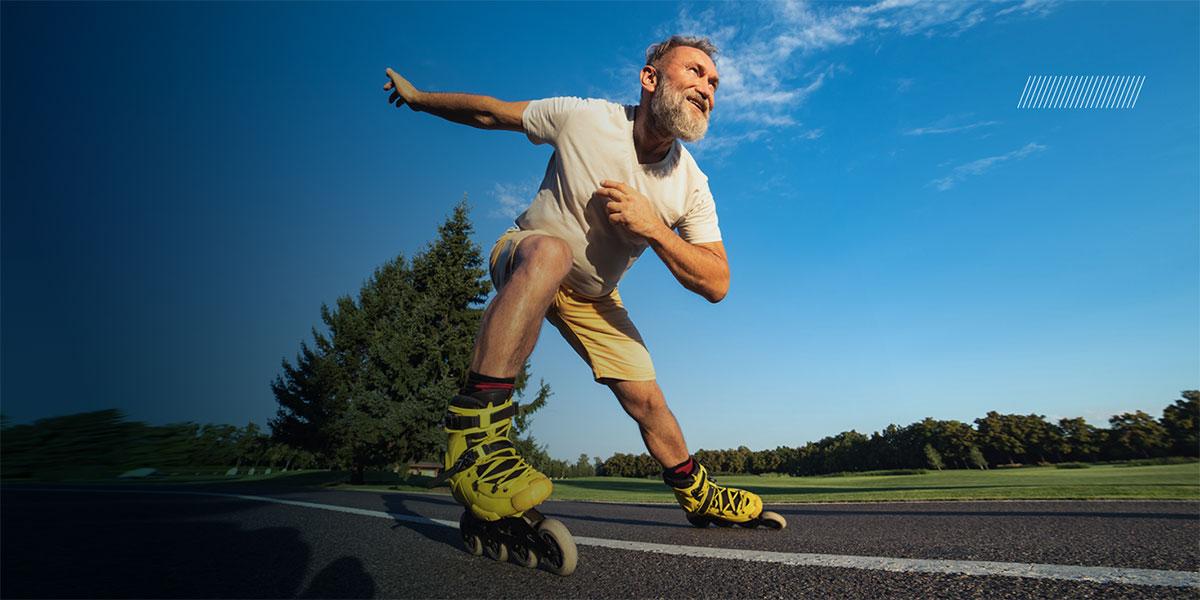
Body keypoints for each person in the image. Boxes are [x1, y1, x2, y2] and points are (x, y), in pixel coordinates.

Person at [384, 35, 779, 529]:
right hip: (528, 251)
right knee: (552, 251)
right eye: (694, 72)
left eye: (714, 82)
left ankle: (696, 492)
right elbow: (491, 113)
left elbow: (717, 281)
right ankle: (476, 440)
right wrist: (420, 99)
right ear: (650, 79)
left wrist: (654, 228)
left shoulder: (691, 185)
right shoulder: (585, 116)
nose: (707, 88)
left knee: (648, 400)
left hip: (595, 295)